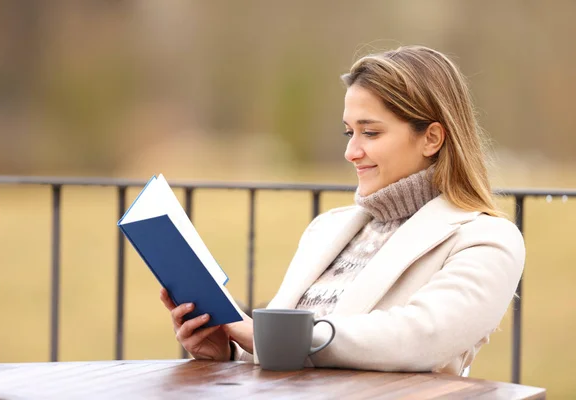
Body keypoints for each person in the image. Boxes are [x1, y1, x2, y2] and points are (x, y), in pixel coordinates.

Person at [159, 45, 525, 375]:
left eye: (371, 133)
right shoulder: (326, 229)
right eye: (349, 133)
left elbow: (420, 338)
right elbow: (296, 358)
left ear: (432, 138)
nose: (351, 152)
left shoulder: (486, 239)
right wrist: (228, 353)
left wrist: (266, 336)